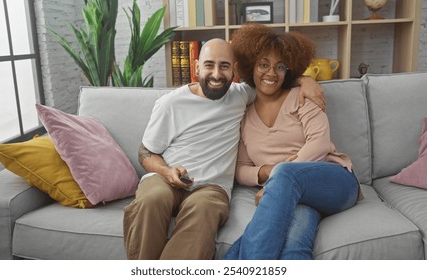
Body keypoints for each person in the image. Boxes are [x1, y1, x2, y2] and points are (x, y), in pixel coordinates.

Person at [123, 38, 325, 260]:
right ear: (197, 66)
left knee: (203, 211)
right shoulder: (170, 103)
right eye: (209, 65)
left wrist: (305, 80)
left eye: (224, 66)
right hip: (164, 178)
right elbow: (145, 152)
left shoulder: (241, 94)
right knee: (152, 199)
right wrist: (166, 172)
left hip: (211, 187)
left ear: (235, 70)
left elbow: (271, 78)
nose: (217, 74)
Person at [223, 23, 362, 260]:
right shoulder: (244, 115)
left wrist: (278, 178)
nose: (271, 73)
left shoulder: (302, 96)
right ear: (251, 68)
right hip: (291, 195)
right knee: (293, 249)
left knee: (286, 174)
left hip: (334, 181)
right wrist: (269, 174)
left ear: (289, 70)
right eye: (263, 65)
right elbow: (240, 169)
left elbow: (319, 143)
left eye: (280, 67)